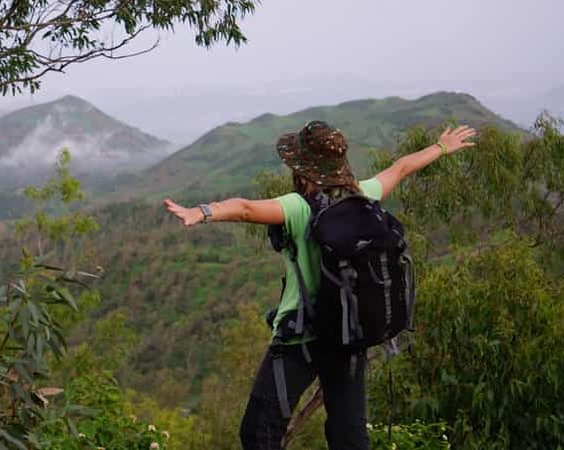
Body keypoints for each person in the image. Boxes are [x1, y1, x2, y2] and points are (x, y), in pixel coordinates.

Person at [164, 121, 477, 450]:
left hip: (300, 337)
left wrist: (201, 212)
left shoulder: (298, 208)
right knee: (349, 437)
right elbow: (400, 169)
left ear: (301, 169)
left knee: (259, 432)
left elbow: (244, 209)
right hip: (349, 334)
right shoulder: (363, 195)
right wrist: (442, 147)